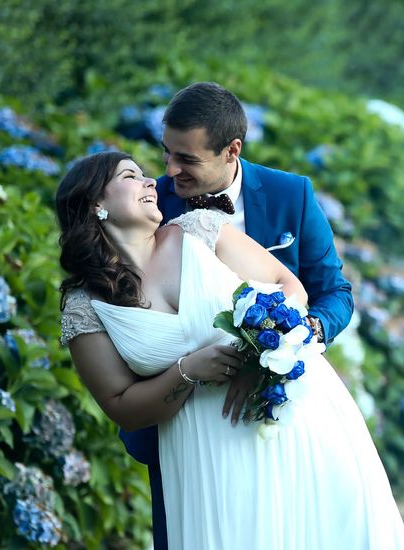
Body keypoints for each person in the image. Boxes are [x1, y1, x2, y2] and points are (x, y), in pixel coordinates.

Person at [57, 151, 404, 548]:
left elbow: (288, 286)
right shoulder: (85, 306)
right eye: (131, 176)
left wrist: (257, 355)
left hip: (287, 414)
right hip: (203, 453)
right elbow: (120, 405)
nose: (151, 181)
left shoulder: (199, 230)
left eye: (144, 175)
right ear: (96, 205)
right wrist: (187, 370)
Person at [125, 81, 355, 549]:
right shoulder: (151, 208)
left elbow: (334, 294)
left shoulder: (293, 194)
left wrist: (285, 347)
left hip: (279, 407)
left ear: (232, 150)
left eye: (187, 159)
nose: (169, 171)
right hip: (182, 418)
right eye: (166, 153)